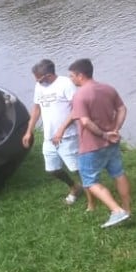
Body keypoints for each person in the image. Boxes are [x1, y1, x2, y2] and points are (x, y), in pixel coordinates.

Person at [68, 58, 131, 228]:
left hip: (91, 146)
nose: (71, 79)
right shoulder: (108, 88)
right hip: (112, 143)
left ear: (80, 75)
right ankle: (127, 209)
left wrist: (104, 134)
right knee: (118, 173)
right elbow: (122, 109)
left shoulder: (80, 95)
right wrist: (115, 129)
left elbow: (86, 122)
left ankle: (117, 211)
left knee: (90, 182)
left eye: (72, 76)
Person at [21, 59, 88, 207]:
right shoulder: (39, 86)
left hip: (68, 136)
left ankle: (92, 194)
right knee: (52, 169)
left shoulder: (66, 84)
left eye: (39, 78)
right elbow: (36, 109)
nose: (37, 81)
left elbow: (77, 108)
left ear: (48, 75)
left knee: (76, 168)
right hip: (49, 137)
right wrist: (28, 131)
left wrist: (62, 129)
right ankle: (74, 187)